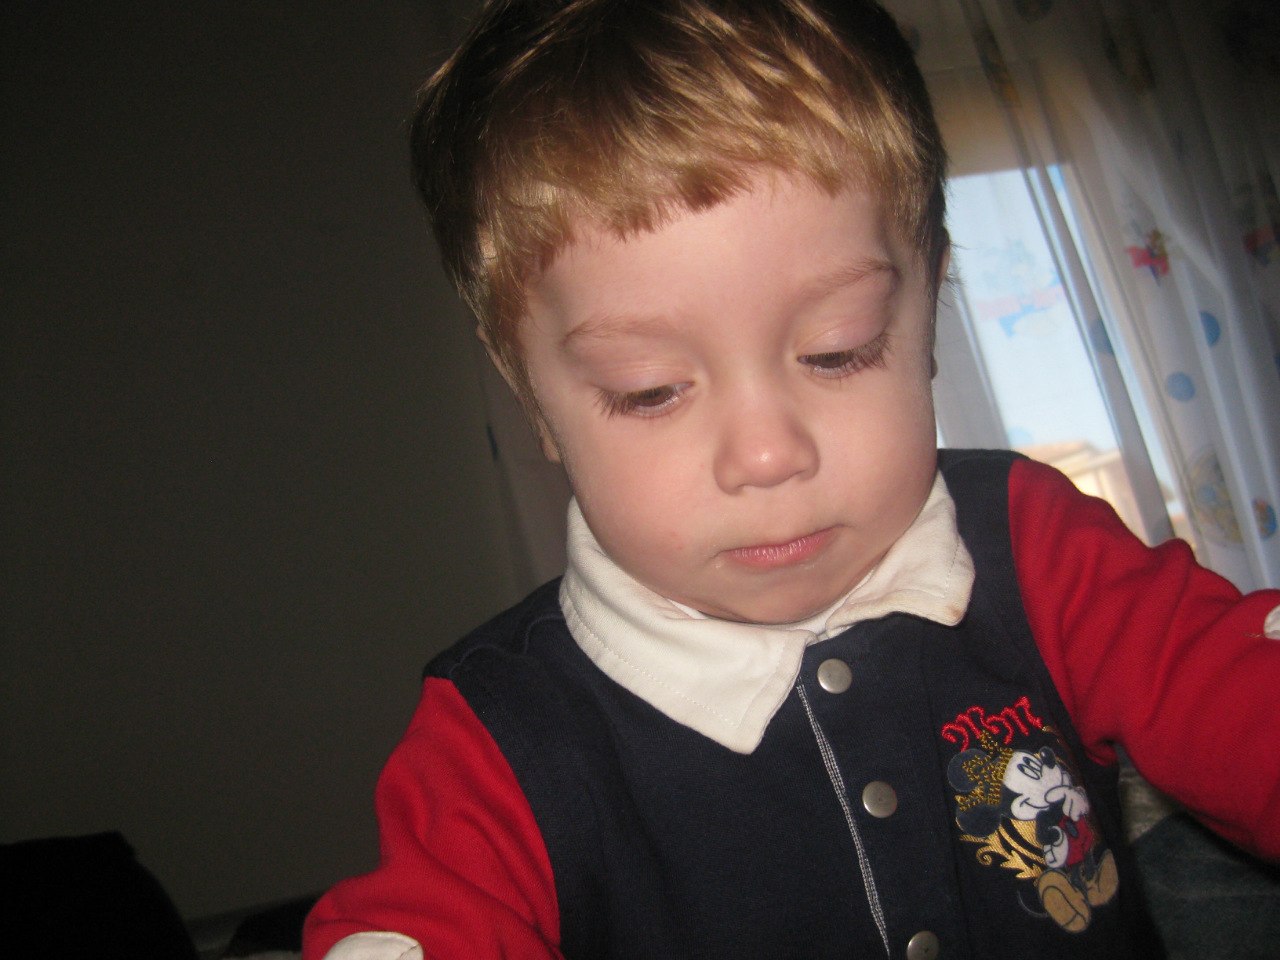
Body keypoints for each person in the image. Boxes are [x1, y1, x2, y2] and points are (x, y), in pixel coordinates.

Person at [302, 1, 1280, 957]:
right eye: (648, 391)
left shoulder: (1034, 544)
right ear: (529, 390)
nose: (767, 456)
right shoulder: (496, 736)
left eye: (837, 351)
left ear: (928, 305)